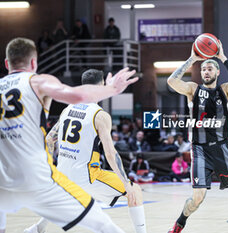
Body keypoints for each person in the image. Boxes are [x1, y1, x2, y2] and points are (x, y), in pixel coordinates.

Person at [0, 37, 138, 233]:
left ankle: (36, 229)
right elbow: (78, 96)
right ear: (33, 63)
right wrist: (111, 89)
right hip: (36, 177)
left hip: (3, 179)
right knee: (104, 225)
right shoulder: (38, 81)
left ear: (7, 63)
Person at [24, 69, 146, 233]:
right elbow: (110, 154)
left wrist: (50, 167)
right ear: (102, 84)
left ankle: (37, 229)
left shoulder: (67, 109)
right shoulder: (100, 115)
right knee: (135, 191)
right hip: (87, 176)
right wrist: (126, 184)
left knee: (65, 197)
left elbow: (49, 139)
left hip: (63, 173)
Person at [167, 41, 228, 233]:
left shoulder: (225, 91)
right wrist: (192, 59)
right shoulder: (192, 89)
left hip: (222, 147)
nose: (206, 71)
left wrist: (223, 58)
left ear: (217, 72)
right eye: (203, 69)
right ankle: (180, 223)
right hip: (200, 149)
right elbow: (171, 82)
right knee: (198, 197)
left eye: (210, 68)